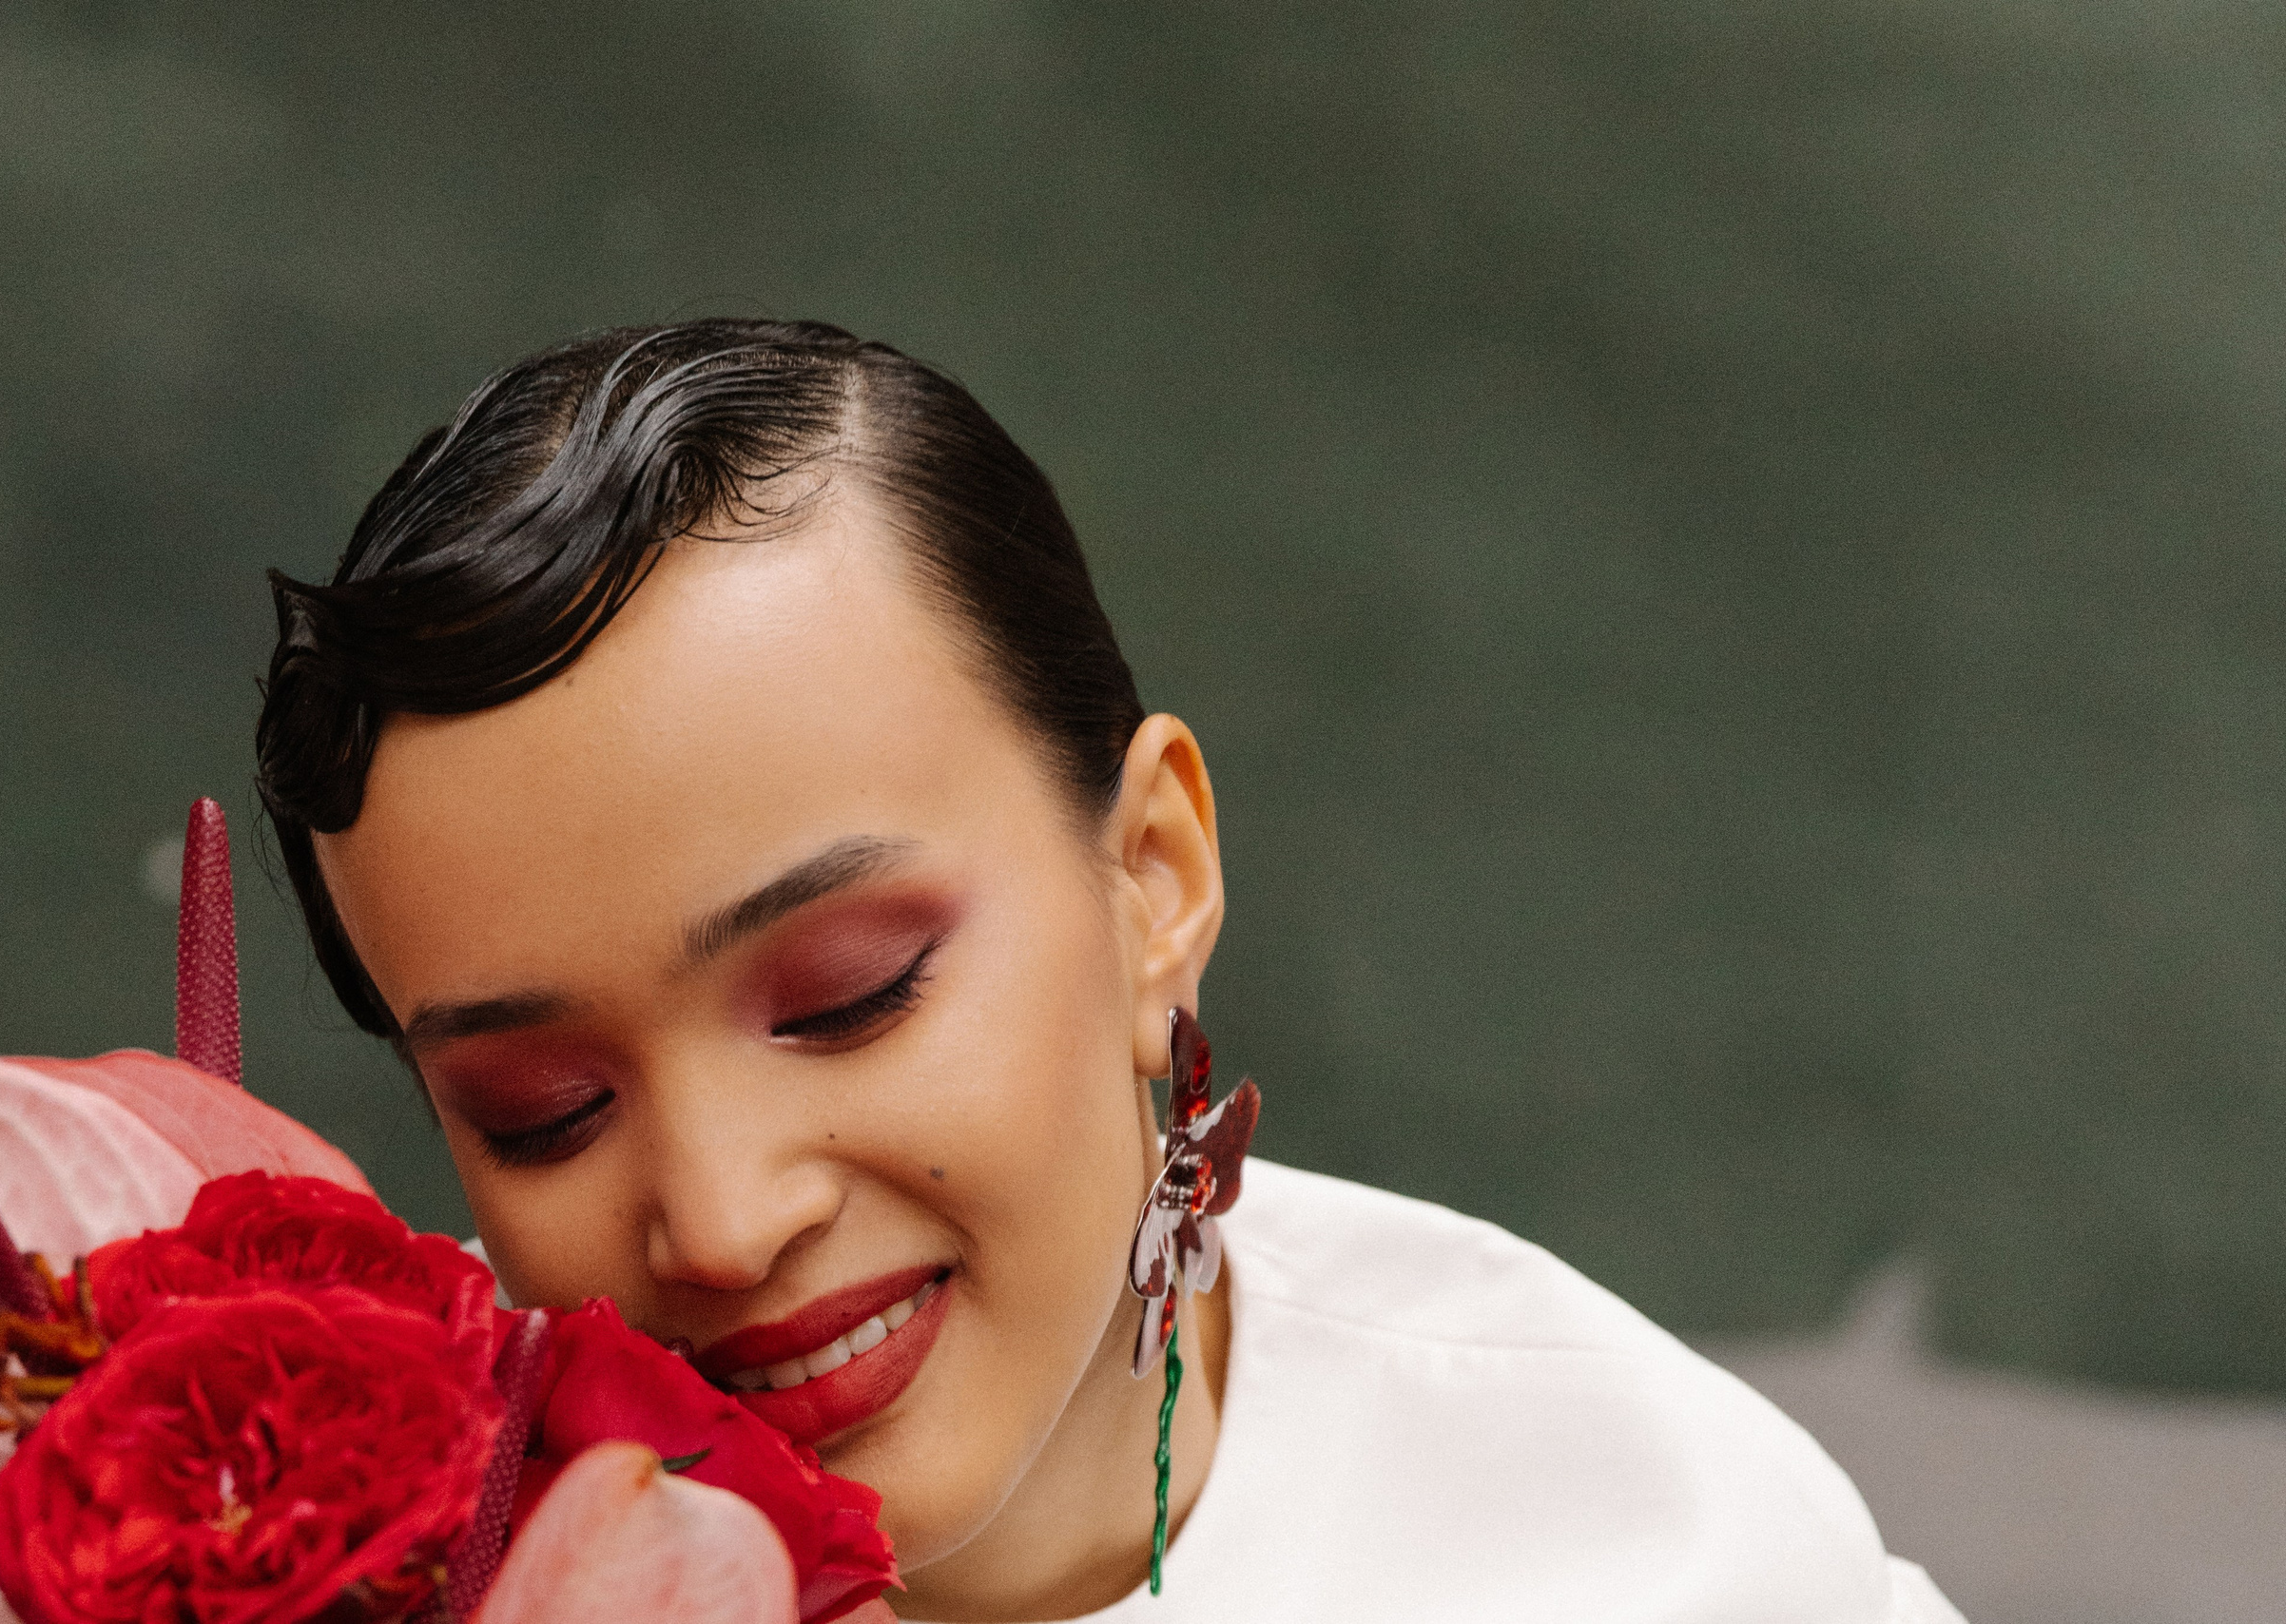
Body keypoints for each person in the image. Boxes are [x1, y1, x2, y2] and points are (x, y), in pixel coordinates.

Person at [256, 319, 1963, 1623]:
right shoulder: (337, 1551)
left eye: (851, 993)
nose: (717, 1220)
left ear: (1155, 876)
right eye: (540, 1110)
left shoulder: (1651, 1556)